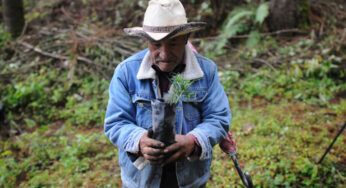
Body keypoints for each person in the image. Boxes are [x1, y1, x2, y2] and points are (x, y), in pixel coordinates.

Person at [104, 0, 231, 187]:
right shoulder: (126, 72)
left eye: (173, 44)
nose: (164, 54)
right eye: (156, 45)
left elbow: (219, 118)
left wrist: (192, 142)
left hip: (190, 180)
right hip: (141, 181)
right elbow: (115, 122)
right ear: (146, 41)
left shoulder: (206, 71)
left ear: (186, 38)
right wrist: (140, 141)